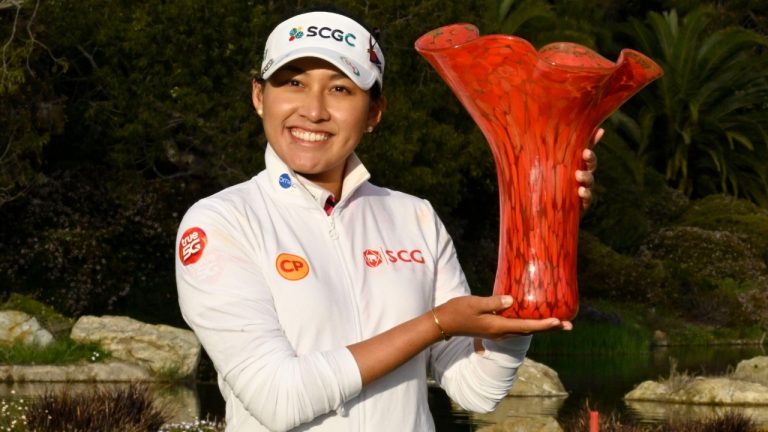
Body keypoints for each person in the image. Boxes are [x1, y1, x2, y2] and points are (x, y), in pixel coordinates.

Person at [176, 9, 599, 432]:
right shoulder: (221, 222)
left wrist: (544, 218)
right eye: (293, 83)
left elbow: (477, 392)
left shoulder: (413, 216)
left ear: (374, 111)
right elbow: (278, 397)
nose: (314, 109)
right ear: (258, 96)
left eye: (341, 89)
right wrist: (436, 325)